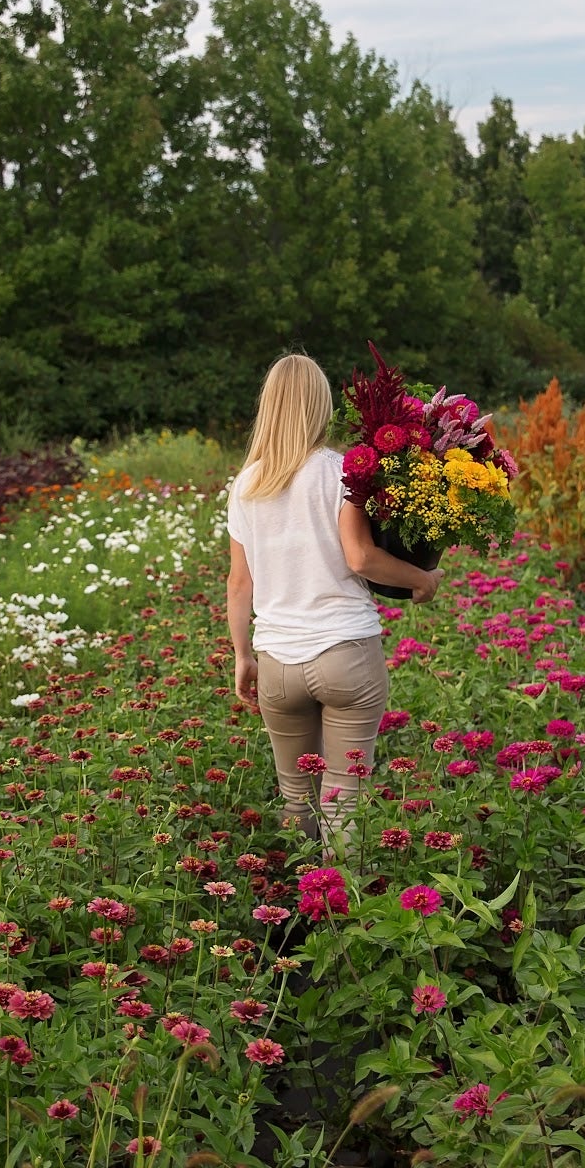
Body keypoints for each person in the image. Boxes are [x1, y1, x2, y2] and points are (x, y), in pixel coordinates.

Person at [226, 353, 440, 850]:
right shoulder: (342, 471)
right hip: (345, 653)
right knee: (345, 800)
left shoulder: (246, 484)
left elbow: (240, 583)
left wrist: (242, 655)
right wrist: (421, 578)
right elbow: (361, 558)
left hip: (277, 660)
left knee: (296, 798)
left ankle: (301, 913)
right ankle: (345, 916)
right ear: (319, 405)